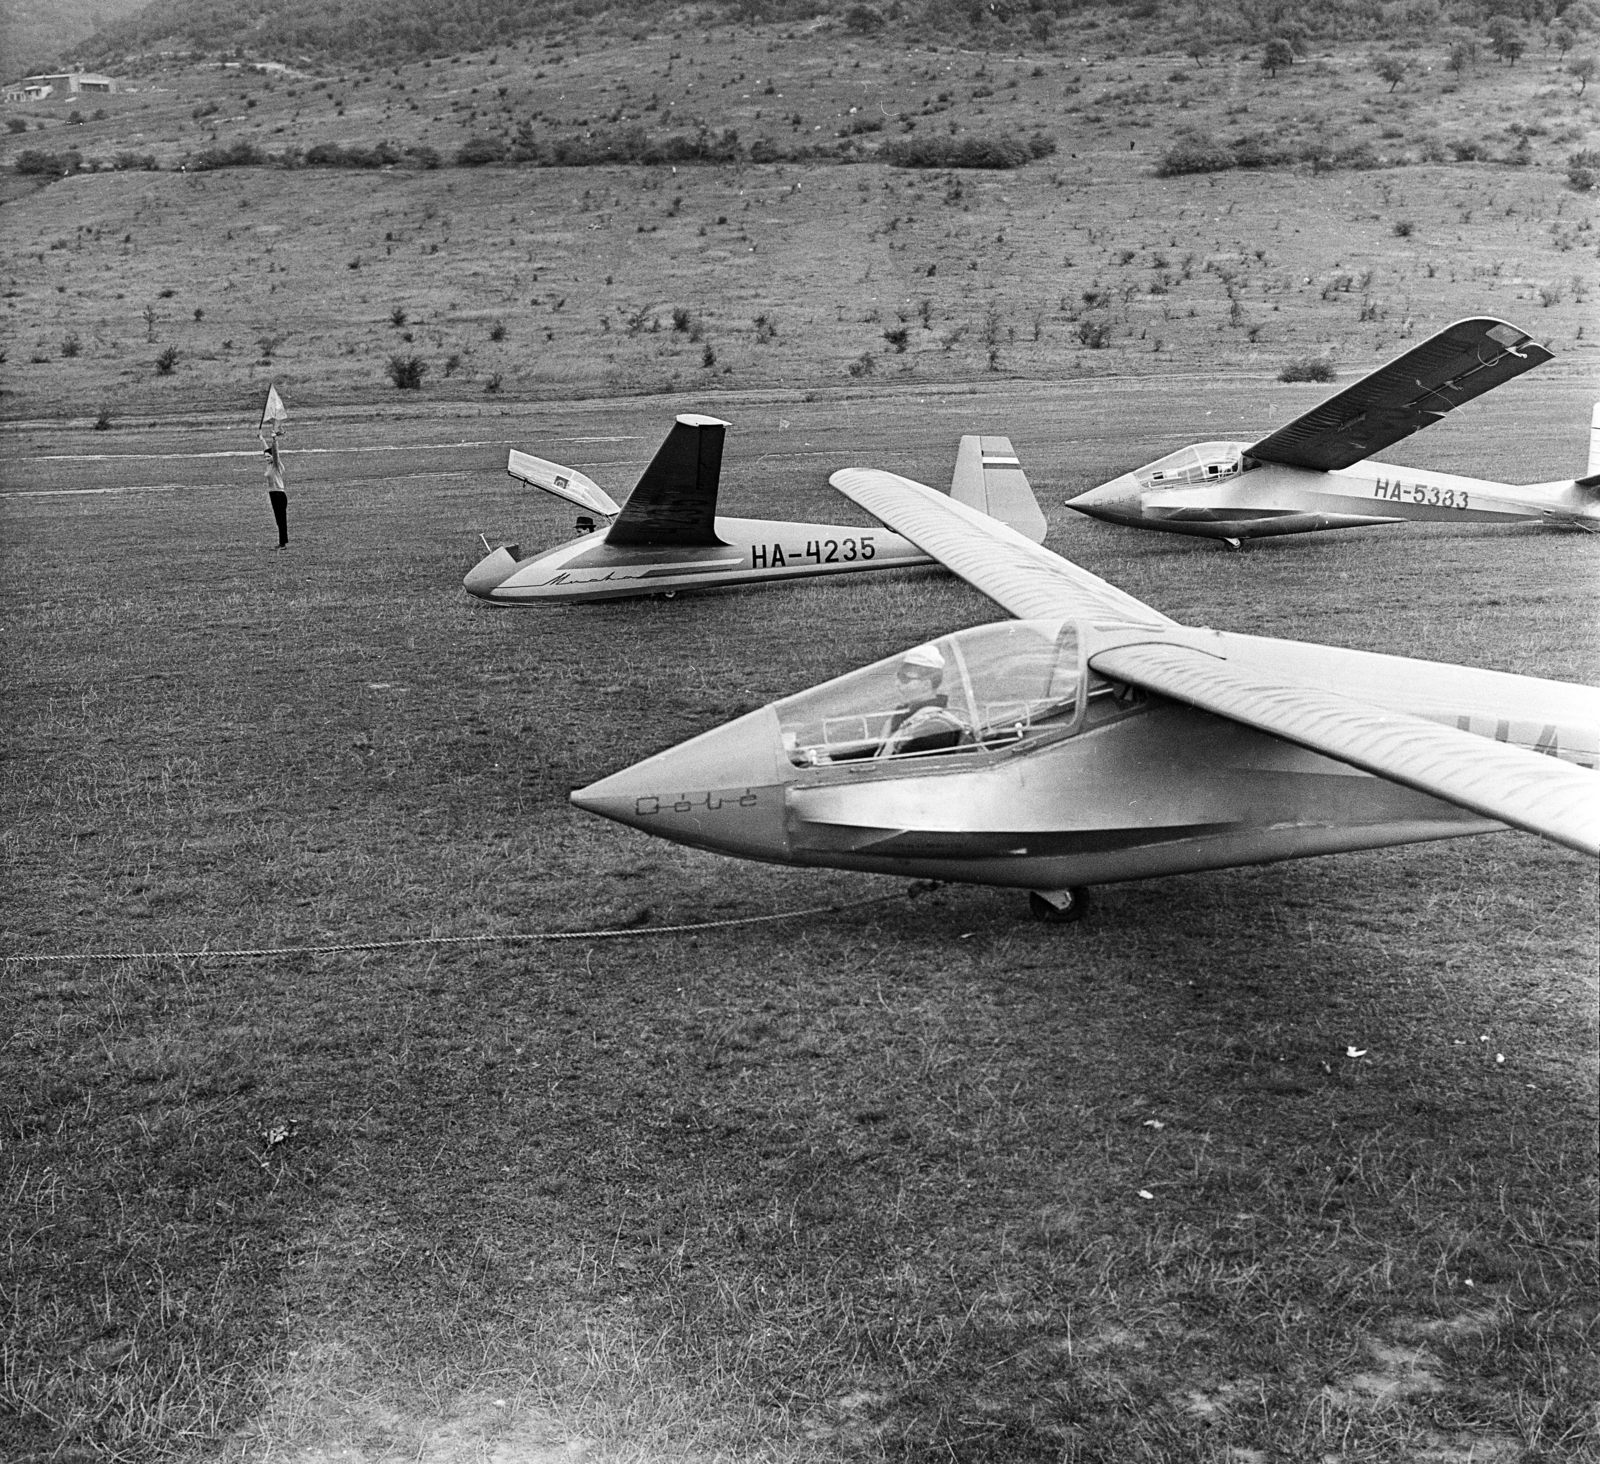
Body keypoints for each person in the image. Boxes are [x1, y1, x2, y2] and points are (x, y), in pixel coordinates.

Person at [877, 643, 969, 757]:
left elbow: (902, 767)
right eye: (898, 677)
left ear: (926, 685)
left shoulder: (935, 727)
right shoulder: (904, 717)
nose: (897, 684)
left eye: (905, 679)